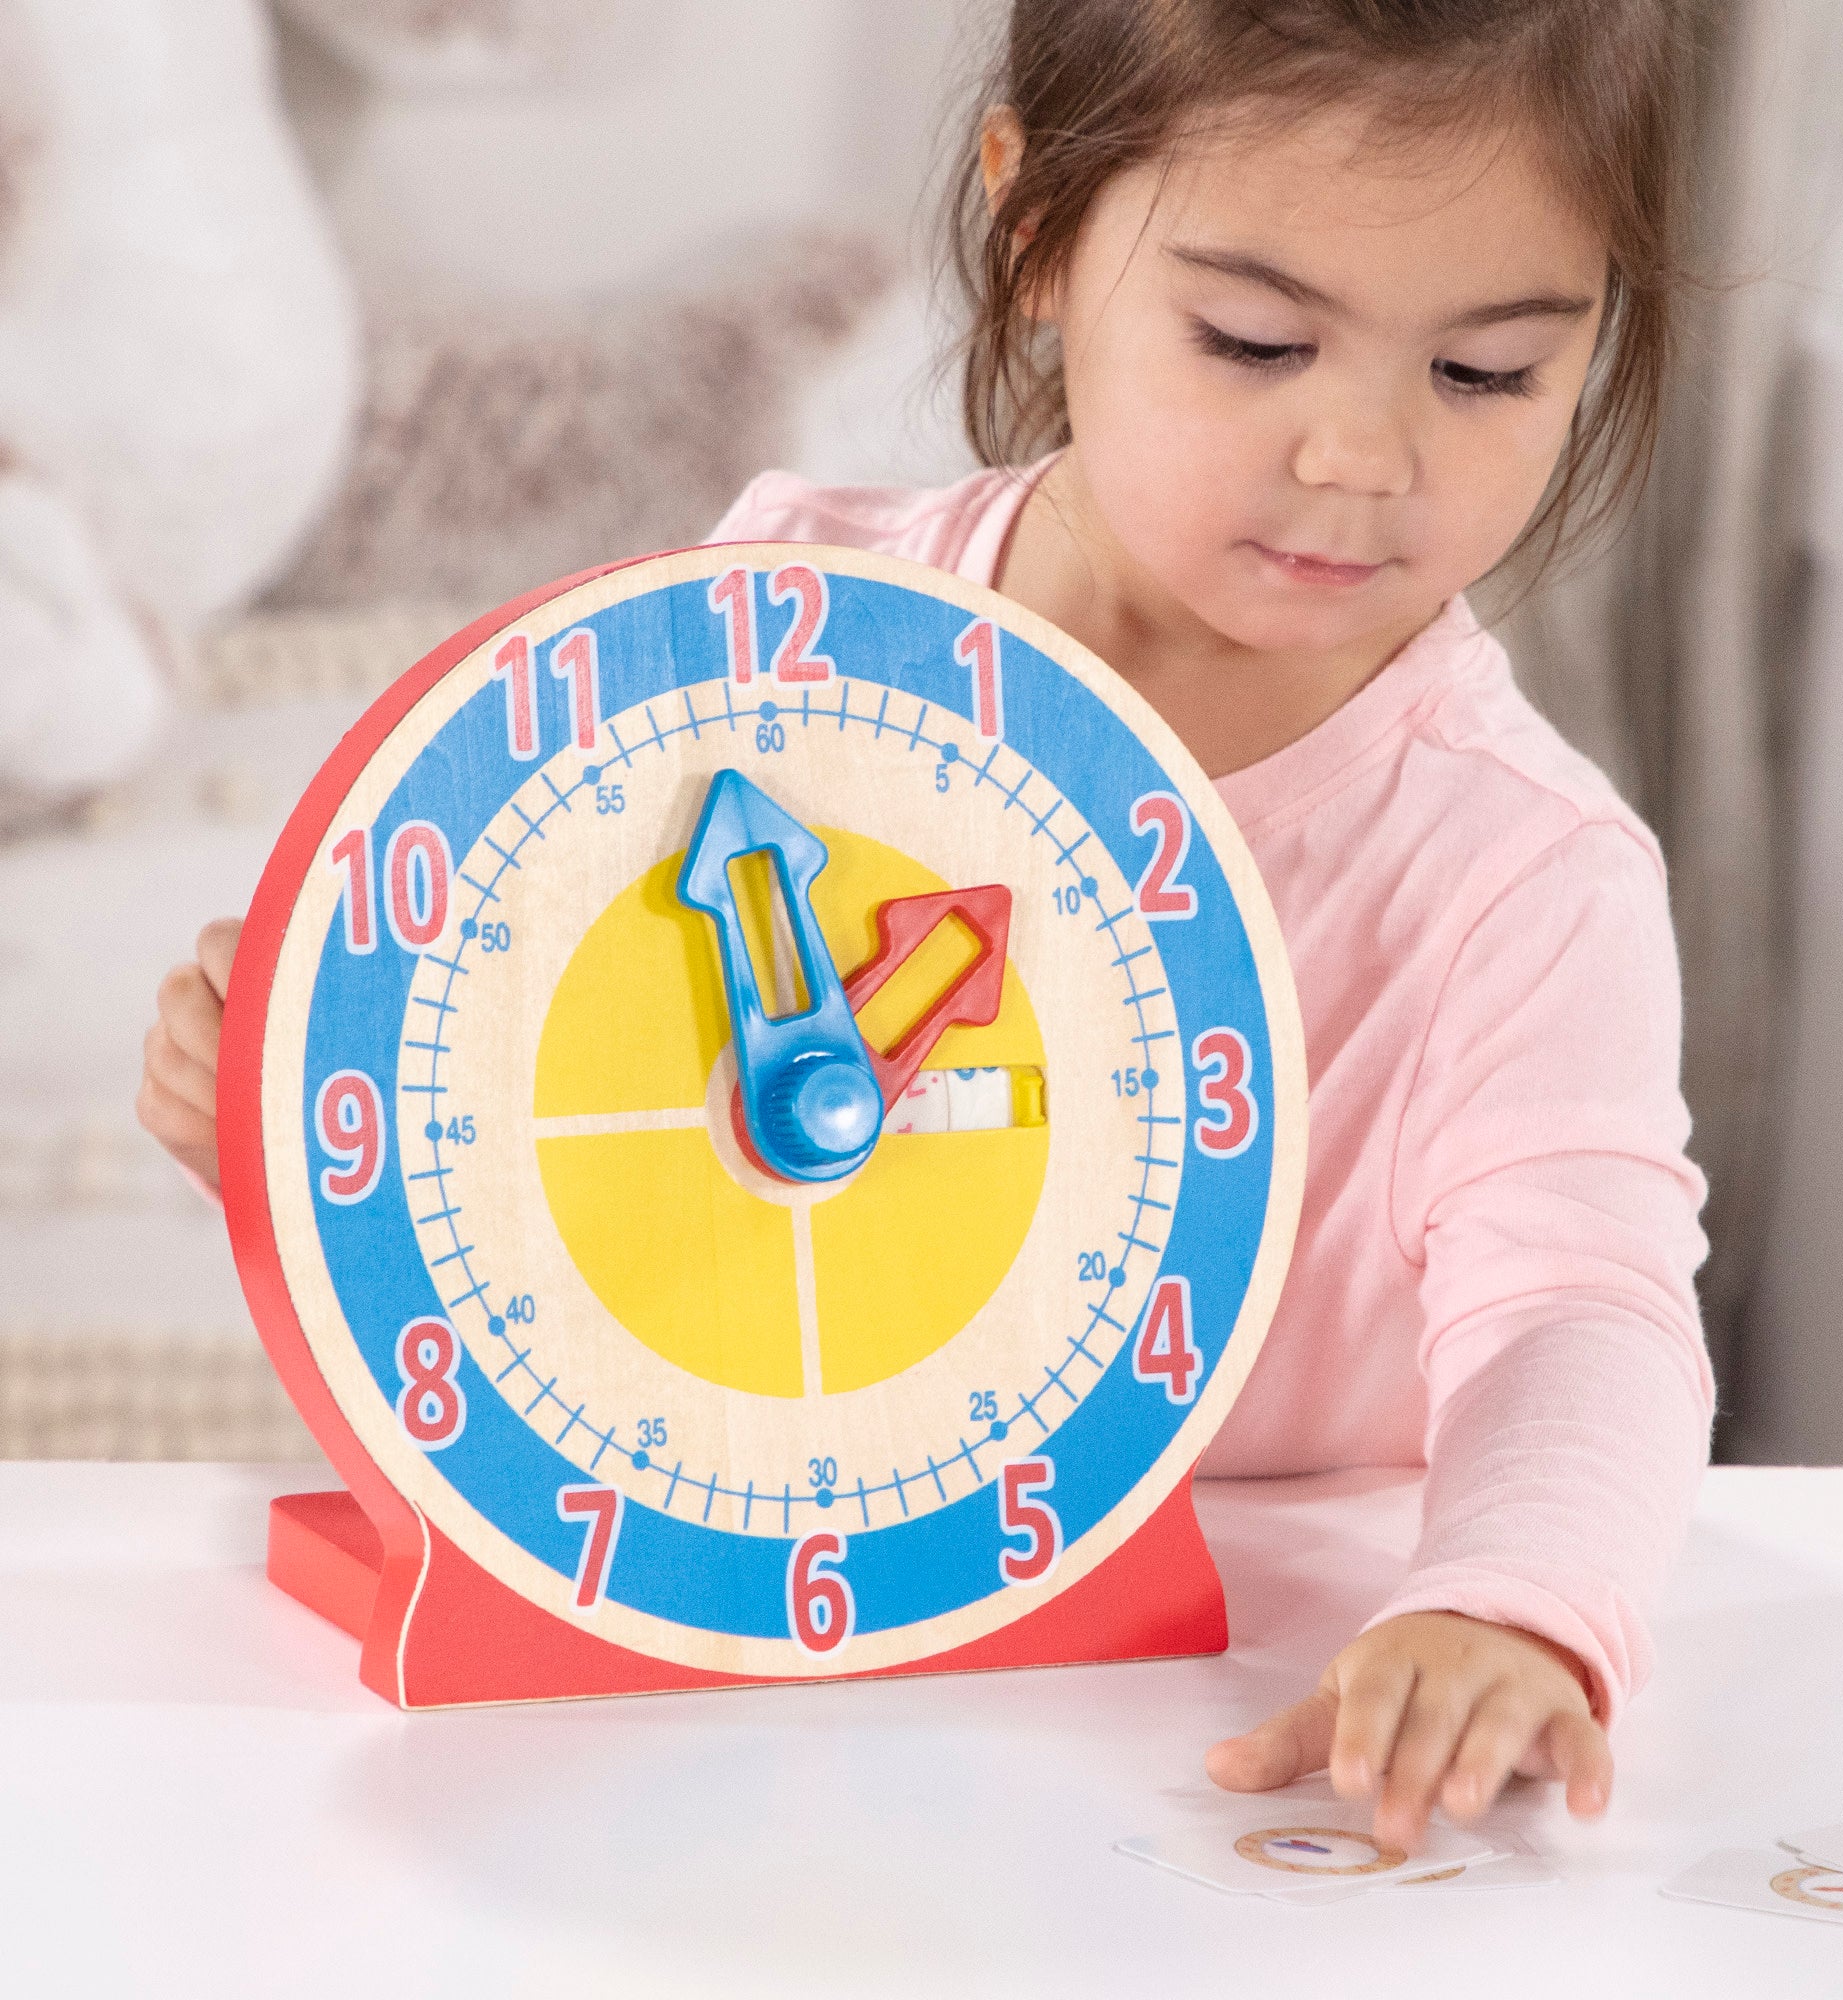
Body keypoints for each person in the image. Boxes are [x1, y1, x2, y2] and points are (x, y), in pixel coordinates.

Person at [140, 0, 1712, 1856]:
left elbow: (1582, 1307)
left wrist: (1509, 1598)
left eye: (1488, 374)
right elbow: (597, 1121)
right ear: (1037, 232)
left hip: (1199, 1709)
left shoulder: (1519, 872)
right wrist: (291, 1112)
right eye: (1257, 341)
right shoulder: (773, 627)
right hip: (750, 1661)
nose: (1364, 452)